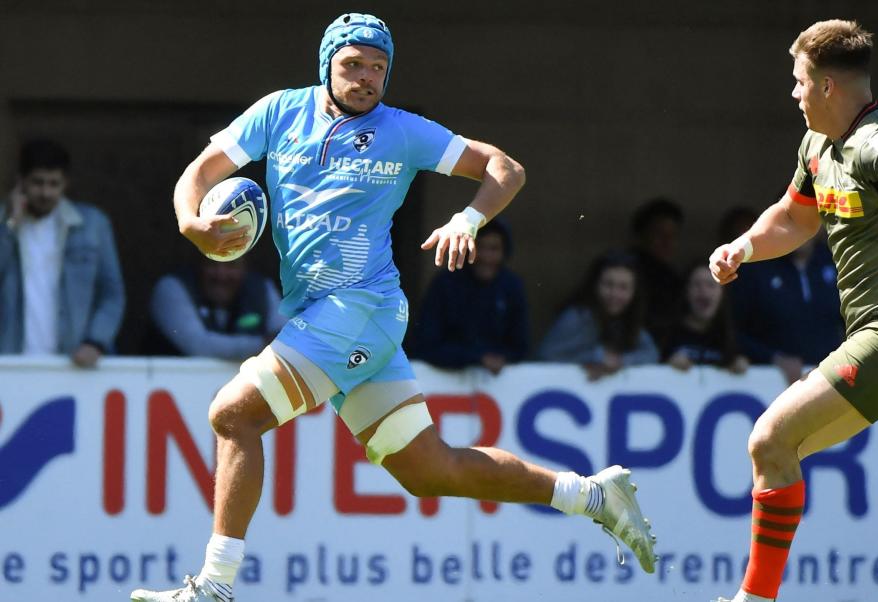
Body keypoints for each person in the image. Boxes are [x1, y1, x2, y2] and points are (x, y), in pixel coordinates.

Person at [130, 13, 655, 602]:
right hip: (332, 314)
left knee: (234, 415)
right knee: (430, 471)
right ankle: (591, 495)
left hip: (359, 307)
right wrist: (191, 222)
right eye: (354, 65)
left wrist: (468, 218)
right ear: (327, 64)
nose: (367, 79)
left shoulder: (403, 130)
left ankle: (215, 588)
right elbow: (201, 173)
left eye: (379, 68)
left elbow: (506, 170)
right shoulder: (279, 112)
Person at [709, 22, 878, 602]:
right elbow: (794, 219)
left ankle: (755, 599)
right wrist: (743, 249)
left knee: (770, 440)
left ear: (826, 85)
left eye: (798, 82)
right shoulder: (818, 146)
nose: (793, 95)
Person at [0, 138, 125, 367]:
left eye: (53, 183)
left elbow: (112, 293)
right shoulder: (4, 224)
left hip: (71, 363)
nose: (46, 192)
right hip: (9, 362)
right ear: (21, 182)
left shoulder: (93, 225)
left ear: (65, 183)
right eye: (37, 183)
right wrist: (9, 226)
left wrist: (96, 341)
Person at [412, 218, 528, 374]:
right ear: (466, 250)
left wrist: (501, 357)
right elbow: (425, 345)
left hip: (498, 387)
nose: (486, 257)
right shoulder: (446, 285)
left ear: (504, 252)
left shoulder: (511, 287)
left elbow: (521, 347)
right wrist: (476, 357)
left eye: (494, 249)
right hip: (445, 384)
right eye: (479, 247)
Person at [731, 237, 843, 383]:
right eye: (792, 218)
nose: (801, 227)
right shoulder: (757, 267)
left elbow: (857, 321)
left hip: (832, 380)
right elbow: (734, 330)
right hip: (770, 382)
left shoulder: (837, 260)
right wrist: (774, 358)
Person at [538, 251, 658, 380]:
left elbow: (651, 354)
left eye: (623, 287)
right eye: (608, 285)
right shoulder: (578, 317)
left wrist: (621, 361)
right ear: (595, 285)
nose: (614, 294)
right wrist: (594, 358)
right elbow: (546, 355)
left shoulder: (627, 320)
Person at [142, 256, 286, 360]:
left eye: (231, 264)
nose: (221, 274)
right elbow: (200, 346)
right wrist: (263, 344)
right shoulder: (171, 287)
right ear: (198, 263)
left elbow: (288, 339)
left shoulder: (262, 288)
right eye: (212, 263)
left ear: (245, 266)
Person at [656, 264, 748, 374]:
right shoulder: (666, 334)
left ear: (722, 293)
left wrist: (740, 363)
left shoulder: (731, 336)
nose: (704, 291)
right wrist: (667, 364)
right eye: (696, 284)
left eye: (711, 285)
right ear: (686, 292)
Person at [628, 196, 685, 333]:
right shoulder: (625, 271)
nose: (667, 242)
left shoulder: (673, 279)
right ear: (642, 235)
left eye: (673, 235)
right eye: (659, 234)